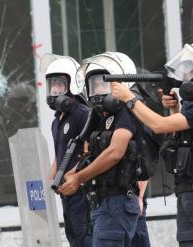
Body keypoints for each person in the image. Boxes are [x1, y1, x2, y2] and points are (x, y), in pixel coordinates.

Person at [110, 40, 193, 246]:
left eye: (192, 73)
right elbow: (185, 137)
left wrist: (129, 99)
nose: (188, 79)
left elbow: (159, 126)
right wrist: (175, 109)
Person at [58, 52, 144, 247]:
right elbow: (91, 155)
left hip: (118, 202)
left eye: (103, 83)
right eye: (94, 84)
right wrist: (70, 174)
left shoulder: (127, 112)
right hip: (101, 202)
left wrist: (79, 178)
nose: (97, 90)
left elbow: (115, 152)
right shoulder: (101, 118)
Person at [40, 54, 92, 247]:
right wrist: (50, 181)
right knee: (73, 238)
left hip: (82, 191)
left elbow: (93, 152)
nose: (54, 90)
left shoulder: (82, 114)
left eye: (59, 85)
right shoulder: (56, 121)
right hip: (66, 192)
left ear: (73, 86)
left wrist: (74, 173)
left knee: (85, 238)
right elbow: (59, 155)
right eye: (51, 85)